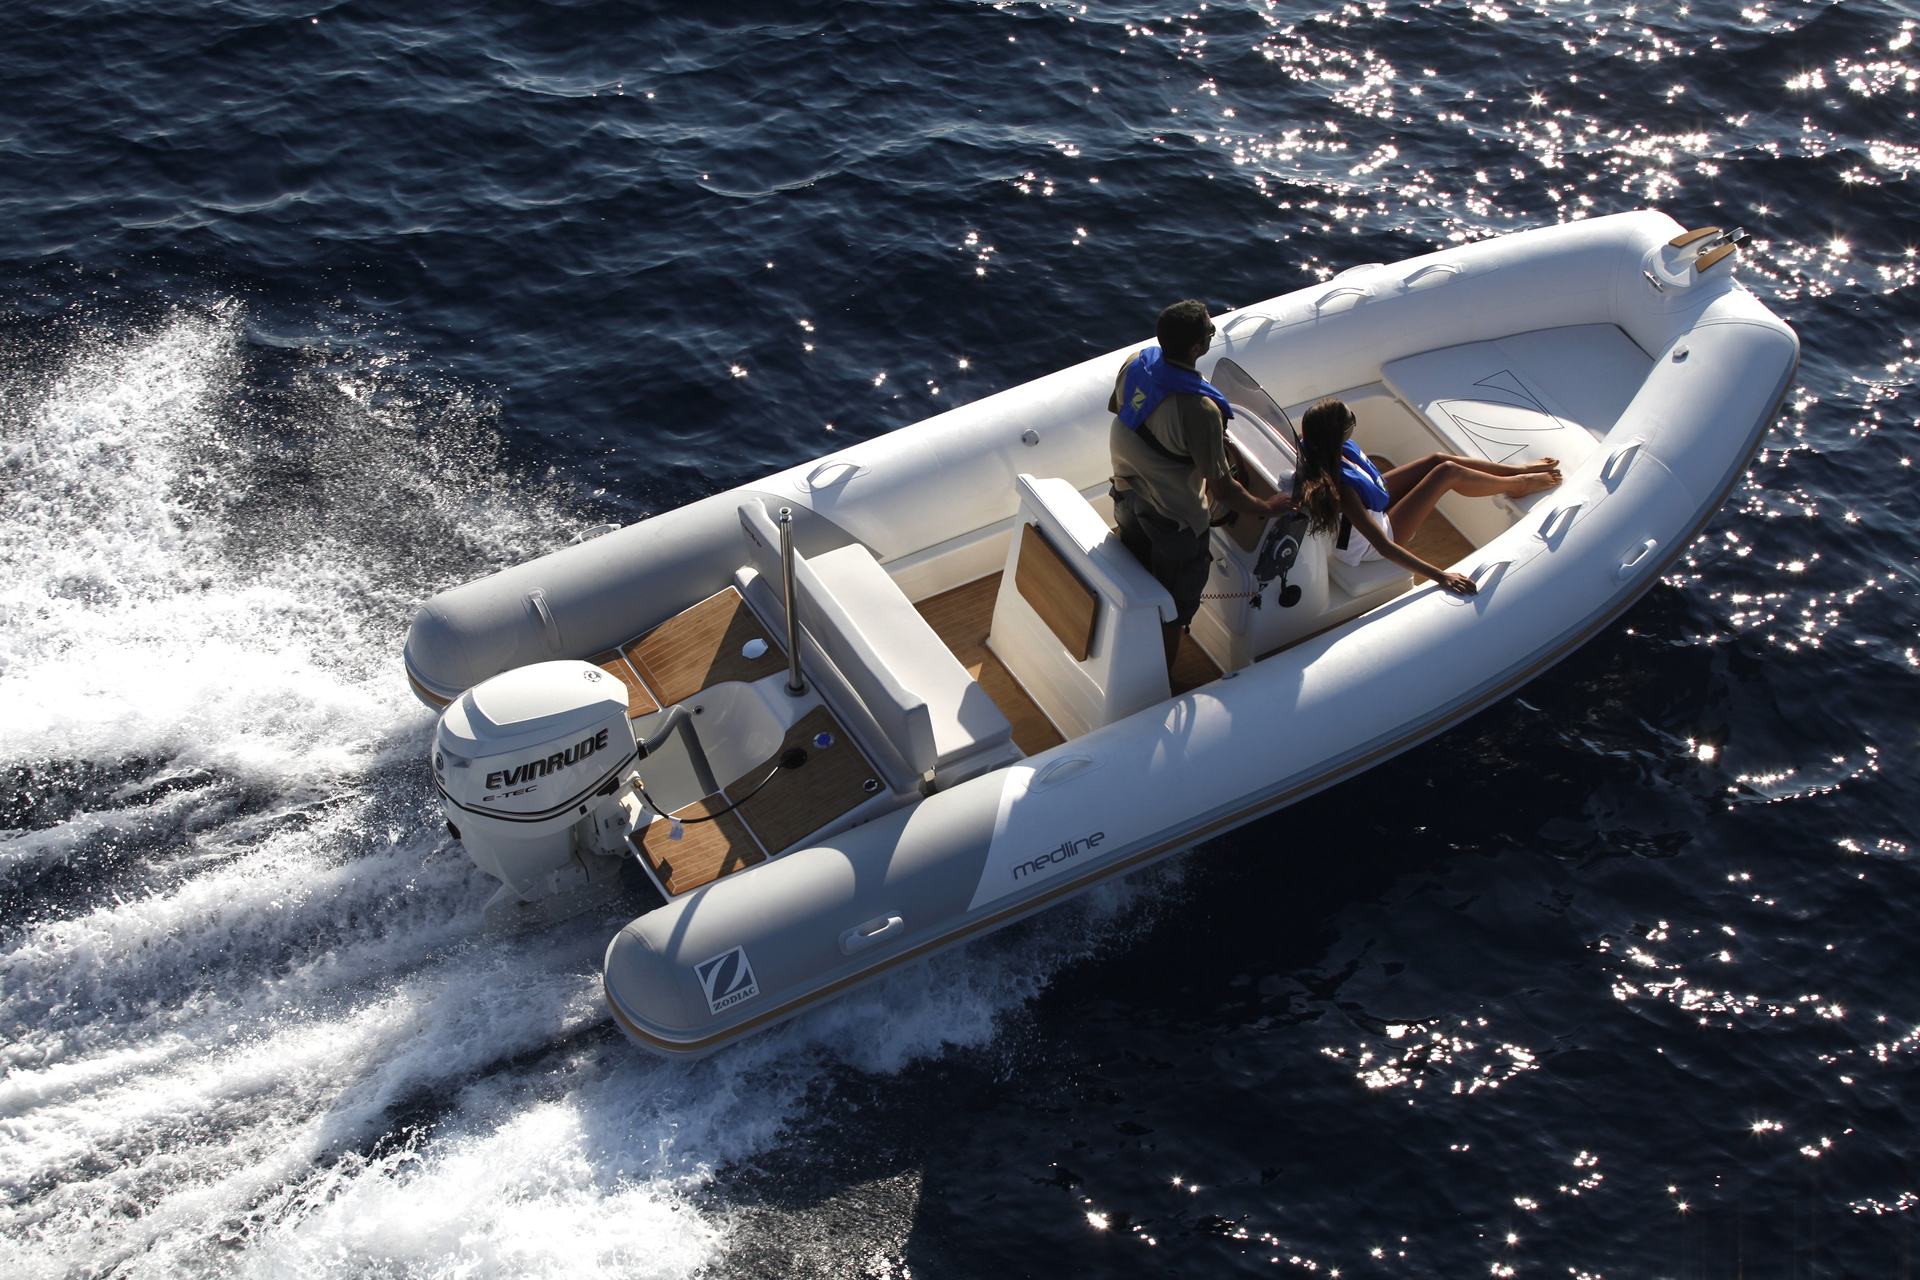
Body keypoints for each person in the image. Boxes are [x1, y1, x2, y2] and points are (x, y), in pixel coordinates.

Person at [1109, 299, 1292, 674]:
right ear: (1197, 348)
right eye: (1210, 330)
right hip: (1172, 518)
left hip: (1126, 491)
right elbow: (1224, 491)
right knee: (1175, 609)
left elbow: (1123, 411)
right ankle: (1159, 680)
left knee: (1139, 574)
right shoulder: (1201, 409)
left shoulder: (1135, 362)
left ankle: (1129, 647)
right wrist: (1268, 507)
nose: (1212, 333)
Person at [1292, 397, 1562, 596]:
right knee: (1447, 472)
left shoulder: (1316, 447)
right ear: (1339, 434)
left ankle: (1518, 470)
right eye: (1351, 419)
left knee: (1437, 460)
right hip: (1370, 546)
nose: (1353, 418)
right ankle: (1518, 485)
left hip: (1371, 511)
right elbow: (1383, 547)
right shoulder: (1344, 490)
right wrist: (1441, 576)